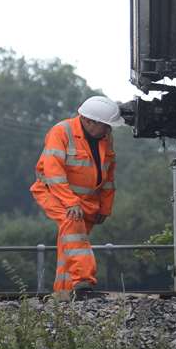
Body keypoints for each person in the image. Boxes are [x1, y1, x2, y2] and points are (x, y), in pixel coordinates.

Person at [31, 96, 122, 299]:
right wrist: (70, 202)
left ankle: (64, 293)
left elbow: (108, 175)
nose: (109, 130)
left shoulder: (105, 138)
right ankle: (83, 284)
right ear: (89, 122)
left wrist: (105, 207)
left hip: (85, 201)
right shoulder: (61, 132)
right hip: (54, 192)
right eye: (106, 126)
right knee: (73, 229)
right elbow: (53, 172)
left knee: (70, 244)